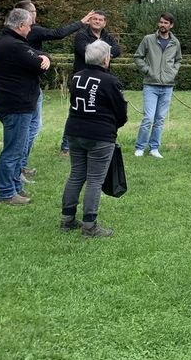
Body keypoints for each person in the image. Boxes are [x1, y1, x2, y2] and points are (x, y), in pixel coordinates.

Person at [60, 40, 128, 237]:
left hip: (75, 130)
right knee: (95, 180)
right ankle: (90, 226)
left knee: (76, 175)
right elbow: (120, 111)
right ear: (106, 59)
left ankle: (67, 219)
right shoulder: (110, 81)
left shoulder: (76, 77)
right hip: (100, 134)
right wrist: (114, 126)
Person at [14, 0, 92, 168]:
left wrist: (43, 54)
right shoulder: (33, 30)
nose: (36, 14)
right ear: (29, 14)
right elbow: (58, 33)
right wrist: (80, 23)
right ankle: (19, 166)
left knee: (26, 127)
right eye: (34, 11)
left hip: (23, 83)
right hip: (29, 85)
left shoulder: (12, 33)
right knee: (32, 127)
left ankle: (20, 165)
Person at [0, 8, 51, 205]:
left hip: (8, 101)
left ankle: (15, 187)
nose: (31, 29)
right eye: (29, 25)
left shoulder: (3, 41)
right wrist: (45, 59)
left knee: (16, 149)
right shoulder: (14, 45)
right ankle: (6, 192)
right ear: (20, 25)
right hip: (16, 105)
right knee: (13, 151)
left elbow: (36, 54)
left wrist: (44, 56)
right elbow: (38, 65)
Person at [64, 10, 121, 153]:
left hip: (101, 79)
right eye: (95, 19)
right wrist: (104, 54)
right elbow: (86, 53)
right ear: (89, 21)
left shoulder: (107, 36)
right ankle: (67, 144)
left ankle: (94, 138)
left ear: (105, 23)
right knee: (76, 109)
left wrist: (105, 54)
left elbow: (117, 49)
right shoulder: (82, 35)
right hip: (83, 80)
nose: (97, 22)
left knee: (98, 109)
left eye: (100, 20)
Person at [133, 13, 182, 158]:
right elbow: (138, 57)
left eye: (166, 23)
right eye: (161, 22)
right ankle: (140, 147)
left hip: (167, 86)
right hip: (151, 85)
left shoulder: (175, 42)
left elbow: (178, 60)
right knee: (148, 118)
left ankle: (154, 148)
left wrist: (172, 73)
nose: (162, 25)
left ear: (171, 25)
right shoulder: (148, 39)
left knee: (160, 119)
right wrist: (148, 70)